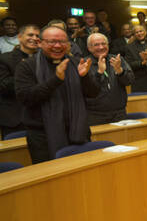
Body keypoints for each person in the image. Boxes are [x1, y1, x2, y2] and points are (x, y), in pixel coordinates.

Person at [15, 26, 98, 163]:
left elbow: (94, 93)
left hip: (77, 131)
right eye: (52, 42)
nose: (58, 46)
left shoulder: (77, 63)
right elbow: (26, 98)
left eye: (62, 42)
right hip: (43, 137)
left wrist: (84, 77)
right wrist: (56, 80)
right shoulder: (27, 66)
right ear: (40, 43)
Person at [85, 33, 134, 125]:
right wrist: (99, 72)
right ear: (89, 48)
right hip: (95, 115)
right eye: (96, 45)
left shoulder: (118, 60)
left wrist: (119, 71)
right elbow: (88, 89)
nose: (101, 47)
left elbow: (129, 81)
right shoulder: (85, 64)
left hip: (119, 113)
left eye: (104, 44)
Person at [0, 24, 40, 137]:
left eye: (37, 35)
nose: (34, 38)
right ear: (20, 37)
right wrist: (25, 71)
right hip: (14, 118)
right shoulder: (5, 59)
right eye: (30, 35)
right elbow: (4, 87)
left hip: (40, 117)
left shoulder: (43, 59)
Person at [124, 24, 147, 93]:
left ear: (145, 32)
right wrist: (142, 62)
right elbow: (128, 64)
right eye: (137, 32)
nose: (139, 33)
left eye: (141, 31)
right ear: (134, 34)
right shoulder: (129, 47)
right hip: (139, 81)